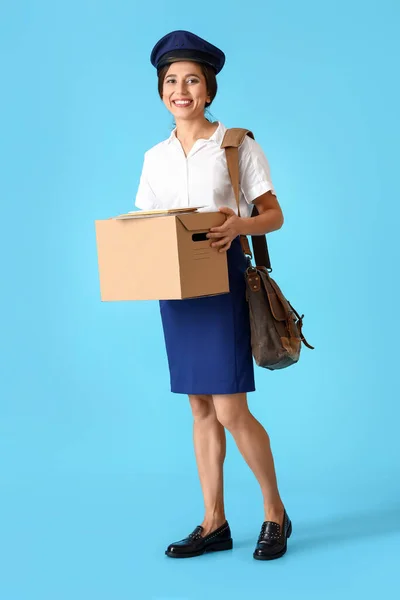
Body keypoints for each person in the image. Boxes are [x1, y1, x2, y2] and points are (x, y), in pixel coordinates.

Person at [135, 30, 292, 561]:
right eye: (172, 81)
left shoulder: (236, 144)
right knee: (200, 407)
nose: (182, 89)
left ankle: (275, 513)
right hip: (175, 289)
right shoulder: (154, 156)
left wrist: (238, 226)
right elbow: (146, 222)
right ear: (162, 91)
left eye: (192, 80)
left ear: (209, 89)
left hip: (222, 278)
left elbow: (273, 214)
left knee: (229, 409)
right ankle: (214, 522)